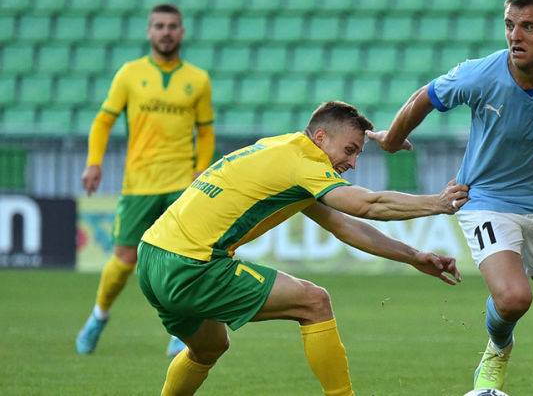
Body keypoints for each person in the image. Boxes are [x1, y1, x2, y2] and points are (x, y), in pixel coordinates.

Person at [366, 0, 533, 396]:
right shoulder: (482, 73)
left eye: (528, 27)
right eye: (509, 25)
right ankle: (498, 347)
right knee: (513, 299)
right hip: (486, 199)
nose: (515, 36)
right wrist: (392, 140)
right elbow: (425, 97)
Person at [137, 100, 468, 396]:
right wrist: (437, 203)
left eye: (358, 154)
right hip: (192, 265)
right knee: (314, 302)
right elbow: (368, 204)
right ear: (321, 137)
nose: (353, 163)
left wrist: (413, 256)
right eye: (349, 150)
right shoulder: (304, 163)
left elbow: (344, 225)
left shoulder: (280, 148)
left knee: (209, 347)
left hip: (151, 255)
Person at [76, 3, 215, 358]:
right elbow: (103, 120)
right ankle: (98, 316)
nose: (166, 32)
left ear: (182, 32)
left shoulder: (198, 79)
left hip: (182, 184)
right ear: (149, 32)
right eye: (159, 26)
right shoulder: (130, 74)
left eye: (172, 26)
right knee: (124, 259)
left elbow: (205, 130)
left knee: (183, 259)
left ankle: (182, 329)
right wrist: (93, 163)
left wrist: (202, 167)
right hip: (139, 183)